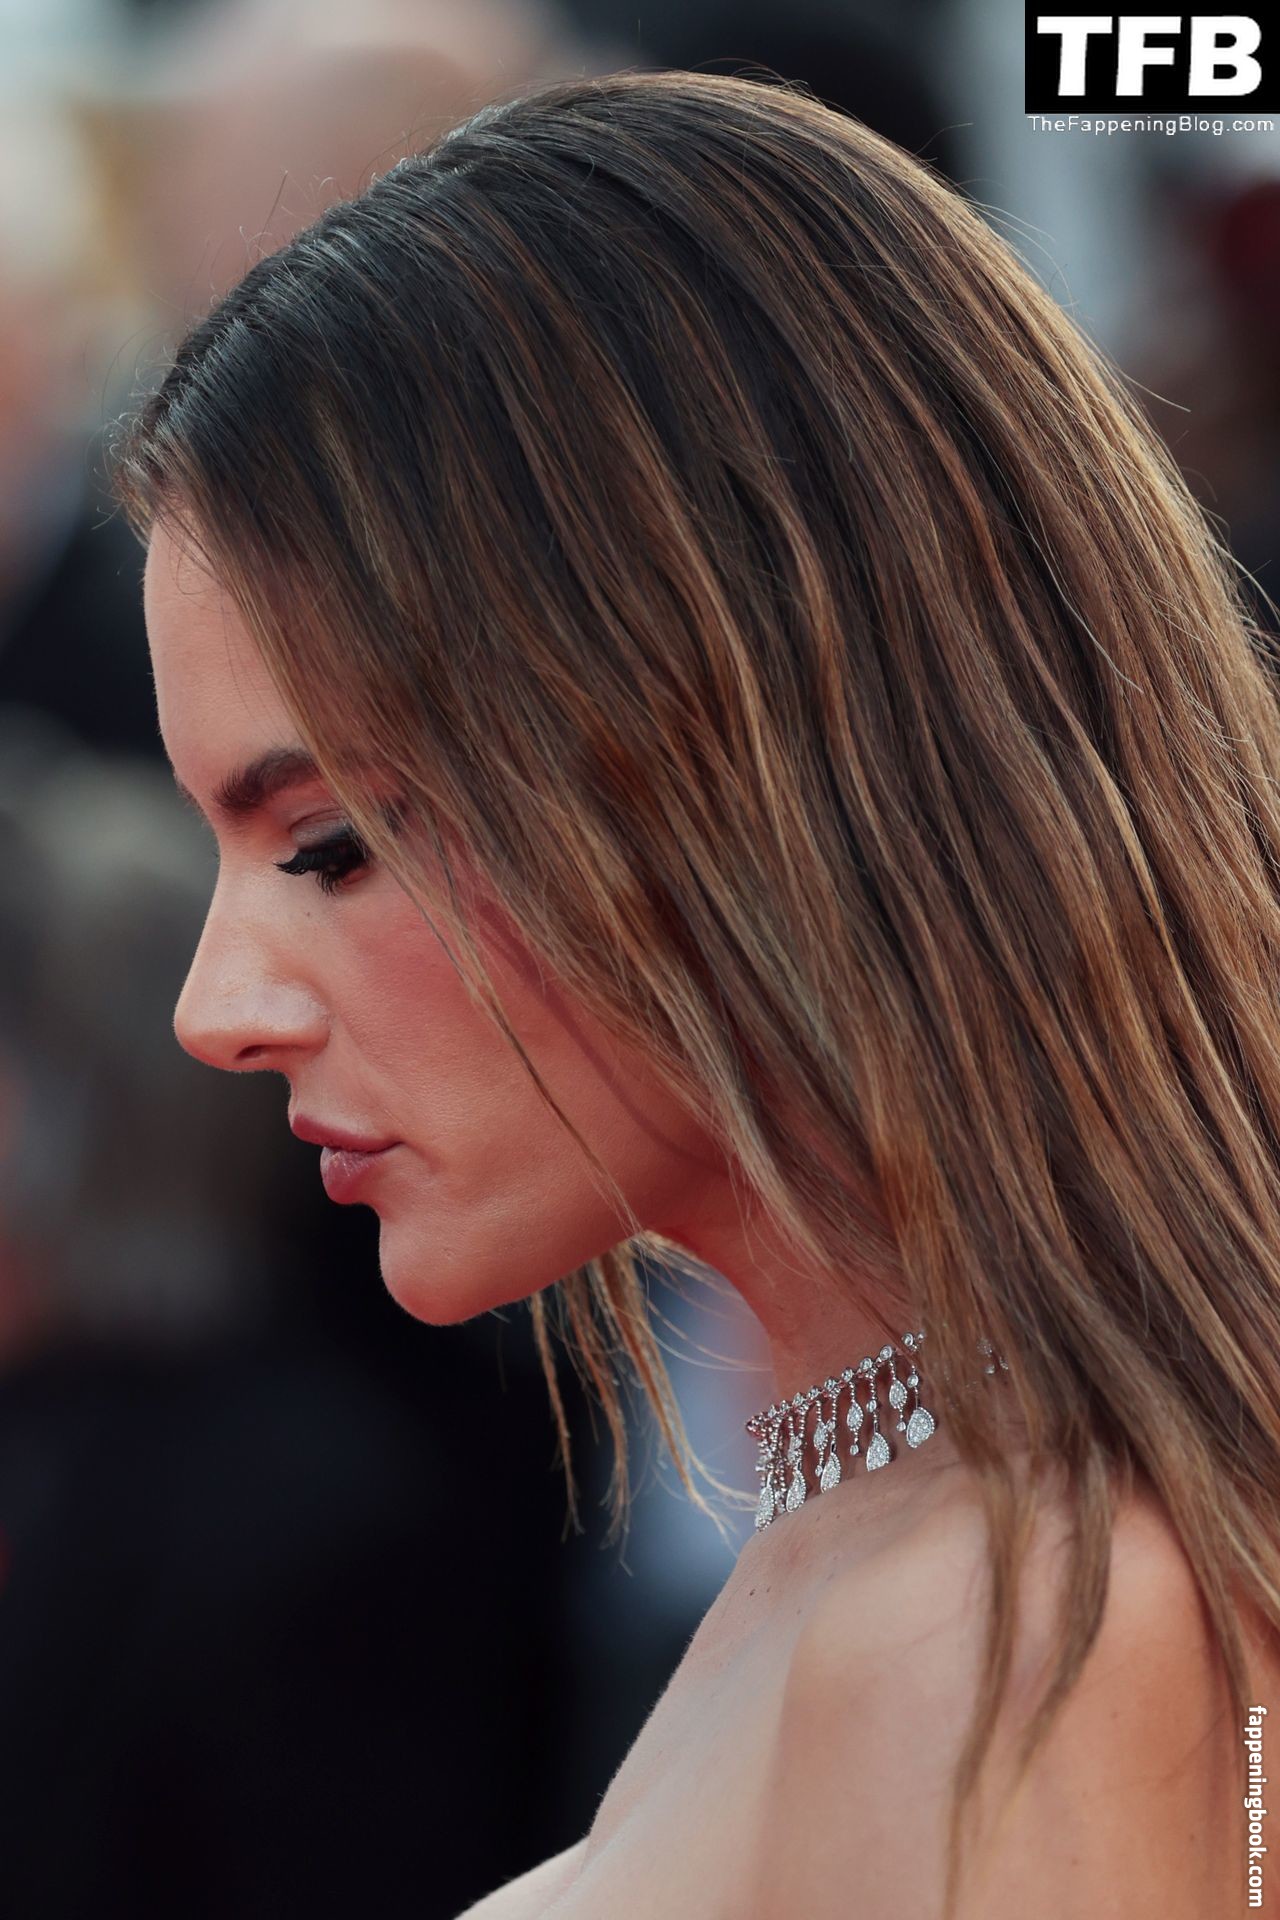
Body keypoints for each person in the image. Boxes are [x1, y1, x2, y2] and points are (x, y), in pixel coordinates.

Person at [110, 68, 1280, 1919]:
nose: (218, 1006)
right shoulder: (923, 1556)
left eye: (327, 845)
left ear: (715, 755)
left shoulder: (997, 1626)